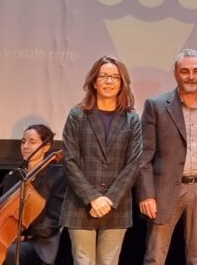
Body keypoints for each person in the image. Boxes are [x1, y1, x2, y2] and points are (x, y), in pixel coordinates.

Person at [136, 48, 197, 265]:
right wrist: (146, 194)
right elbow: (143, 156)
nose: (191, 77)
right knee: (155, 257)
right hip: (164, 190)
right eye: (185, 71)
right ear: (176, 73)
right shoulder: (156, 105)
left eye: (196, 71)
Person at [60, 55, 143, 265]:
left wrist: (110, 198)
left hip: (117, 204)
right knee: (84, 261)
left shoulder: (132, 119)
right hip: (81, 202)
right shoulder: (77, 115)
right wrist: (93, 198)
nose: (109, 81)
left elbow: (134, 163)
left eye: (115, 77)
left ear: (122, 83)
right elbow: (70, 161)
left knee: (109, 261)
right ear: (94, 81)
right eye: (103, 76)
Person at [0, 124, 66, 265]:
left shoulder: (57, 176)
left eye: (32, 142)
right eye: (23, 142)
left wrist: (24, 235)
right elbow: (2, 213)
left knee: (11, 252)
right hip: (9, 238)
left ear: (46, 147)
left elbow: (54, 219)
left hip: (40, 242)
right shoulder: (14, 176)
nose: (25, 146)